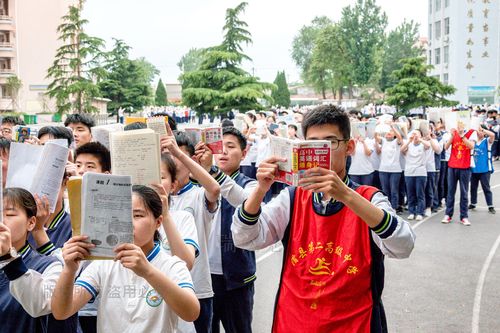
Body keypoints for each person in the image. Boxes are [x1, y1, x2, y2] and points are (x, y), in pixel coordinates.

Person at [231, 105, 415, 333]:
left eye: (330, 143)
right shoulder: (292, 197)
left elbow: (403, 245)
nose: (321, 152)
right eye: (313, 143)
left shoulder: (369, 199)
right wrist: (260, 190)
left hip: (354, 325)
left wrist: (347, 195)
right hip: (294, 322)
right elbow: (244, 237)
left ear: (349, 147)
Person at [51, 185, 200, 332]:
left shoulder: (172, 265)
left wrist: (148, 271)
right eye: (120, 217)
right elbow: (61, 312)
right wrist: (69, 270)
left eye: (137, 215)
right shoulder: (103, 264)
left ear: (158, 222)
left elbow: (191, 313)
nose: (127, 224)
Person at [195, 127, 258, 333]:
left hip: (237, 278)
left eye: (230, 147)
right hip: (205, 277)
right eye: (219, 147)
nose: (223, 152)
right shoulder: (198, 184)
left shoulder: (250, 185)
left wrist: (213, 173)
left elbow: (243, 201)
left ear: (244, 153)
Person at [161, 127, 220, 333]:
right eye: (166, 155)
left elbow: (214, 190)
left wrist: (177, 152)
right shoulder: (150, 200)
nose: (173, 161)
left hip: (197, 288)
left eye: (177, 155)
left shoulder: (197, 194)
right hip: (161, 289)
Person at [0, 188, 77, 333]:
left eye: (9, 214)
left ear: (31, 223)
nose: (2, 220)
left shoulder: (50, 266)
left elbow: (41, 304)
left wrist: (8, 258)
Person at [442, 123, 477, 225]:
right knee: (450, 192)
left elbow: (471, 146)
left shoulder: (471, 132)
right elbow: (446, 147)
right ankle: (448, 214)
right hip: (452, 166)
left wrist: (462, 136)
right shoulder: (453, 132)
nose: (459, 125)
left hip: (465, 167)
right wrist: (452, 136)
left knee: (464, 193)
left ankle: (464, 216)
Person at [401, 130, 430, 221]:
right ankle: (411, 212)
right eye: (414, 134)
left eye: (417, 134)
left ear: (420, 135)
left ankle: (420, 212)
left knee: (420, 193)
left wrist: (420, 139)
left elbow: (428, 146)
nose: (415, 136)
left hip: (420, 172)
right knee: (410, 193)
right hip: (409, 172)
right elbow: (401, 150)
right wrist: (409, 141)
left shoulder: (423, 144)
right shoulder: (408, 144)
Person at [469, 126, 496, 214]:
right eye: (478, 131)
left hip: (485, 169)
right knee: (473, 187)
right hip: (474, 169)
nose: (479, 132)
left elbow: (493, 135)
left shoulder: (487, 141)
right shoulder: (473, 141)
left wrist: (483, 129)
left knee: (486, 187)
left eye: (480, 131)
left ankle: (490, 205)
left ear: (484, 132)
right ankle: (473, 203)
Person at [376, 126, 403, 210]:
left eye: (391, 131)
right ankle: (386, 208)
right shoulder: (383, 141)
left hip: (395, 170)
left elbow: (400, 137)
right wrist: (378, 125)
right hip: (383, 169)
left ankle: (394, 208)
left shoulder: (396, 142)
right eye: (387, 132)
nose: (389, 133)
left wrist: (392, 126)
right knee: (385, 190)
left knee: (394, 190)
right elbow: (376, 136)